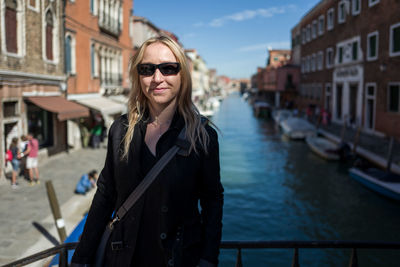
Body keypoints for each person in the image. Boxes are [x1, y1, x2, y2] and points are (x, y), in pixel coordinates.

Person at [71, 35, 224, 267]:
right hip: (122, 258)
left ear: (182, 75)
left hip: (180, 259)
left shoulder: (203, 137)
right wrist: (81, 259)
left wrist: (208, 258)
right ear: (138, 76)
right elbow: (105, 195)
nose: (157, 78)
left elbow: (212, 201)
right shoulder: (120, 130)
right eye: (147, 69)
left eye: (168, 68)